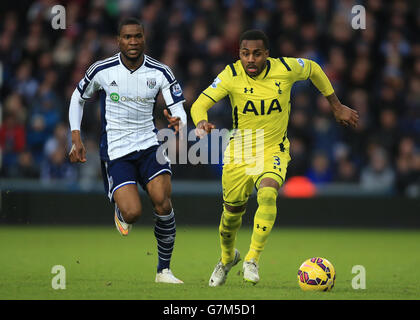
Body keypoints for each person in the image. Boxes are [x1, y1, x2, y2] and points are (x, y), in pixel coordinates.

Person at [191, 29, 359, 286]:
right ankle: (227, 259)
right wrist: (201, 121)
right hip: (240, 152)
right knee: (230, 218)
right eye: (245, 53)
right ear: (239, 54)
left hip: (274, 149)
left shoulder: (285, 68)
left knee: (268, 193)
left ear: (267, 55)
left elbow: (313, 68)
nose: (250, 59)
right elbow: (199, 103)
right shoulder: (231, 74)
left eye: (257, 54)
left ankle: (252, 259)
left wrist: (336, 105)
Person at [68, 18, 186, 284]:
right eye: (127, 37)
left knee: (162, 201)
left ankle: (163, 271)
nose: (133, 42)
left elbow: (178, 108)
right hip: (117, 150)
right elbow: (78, 97)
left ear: (144, 38)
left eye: (137, 37)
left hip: (149, 145)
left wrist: (179, 123)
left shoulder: (160, 72)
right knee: (133, 212)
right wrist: (76, 136)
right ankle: (122, 211)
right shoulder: (103, 70)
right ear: (118, 40)